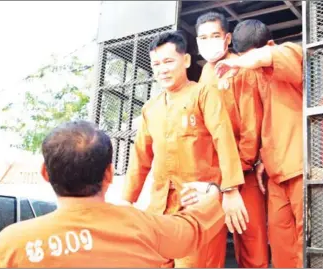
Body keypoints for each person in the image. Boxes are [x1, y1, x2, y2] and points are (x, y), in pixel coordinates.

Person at [0, 120, 228, 268]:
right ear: (109, 174)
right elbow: (193, 228)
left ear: (45, 173)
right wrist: (213, 192)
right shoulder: (142, 226)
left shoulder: (8, 248)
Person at [121, 31, 248, 268]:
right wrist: (127, 201)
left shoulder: (203, 93)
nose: (162, 69)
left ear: (186, 61)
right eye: (156, 64)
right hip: (160, 208)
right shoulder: (150, 108)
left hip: (198, 206)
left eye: (169, 61)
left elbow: (224, 138)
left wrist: (230, 191)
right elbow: (140, 158)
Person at [215, 19, 303, 268]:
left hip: (301, 169)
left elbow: (274, 55)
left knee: (306, 244)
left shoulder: (291, 55)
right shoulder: (250, 76)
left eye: (252, 58)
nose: (249, 65)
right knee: (281, 246)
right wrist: (262, 159)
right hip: (276, 175)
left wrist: (242, 61)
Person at [196, 14, 268, 268]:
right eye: (203, 38)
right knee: (209, 242)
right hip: (212, 175)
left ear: (227, 38)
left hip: (242, 171)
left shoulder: (241, 67)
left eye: (215, 36)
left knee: (252, 241)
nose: (209, 42)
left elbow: (251, 124)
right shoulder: (205, 73)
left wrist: (237, 172)